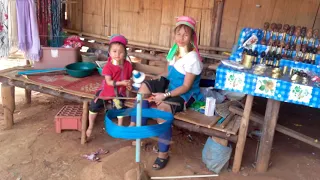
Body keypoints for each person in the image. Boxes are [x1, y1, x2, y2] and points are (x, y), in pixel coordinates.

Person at [130, 16, 203, 170]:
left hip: (185, 93)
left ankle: (163, 154)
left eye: (185, 35)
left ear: (192, 37)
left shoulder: (193, 58)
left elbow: (186, 86)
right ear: (174, 34)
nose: (181, 38)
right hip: (171, 84)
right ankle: (140, 132)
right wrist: (156, 80)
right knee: (143, 89)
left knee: (161, 111)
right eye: (178, 34)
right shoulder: (175, 49)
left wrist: (165, 95)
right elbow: (168, 72)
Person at [86, 34, 133, 138]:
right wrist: (122, 83)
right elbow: (109, 82)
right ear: (109, 53)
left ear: (125, 53)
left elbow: (128, 78)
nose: (117, 54)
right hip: (106, 90)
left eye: (121, 52)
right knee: (94, 105)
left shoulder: (128, 65)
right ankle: (90, 126)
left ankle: (120, 127)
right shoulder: (108, 66)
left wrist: (129, 84)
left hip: (119, 92)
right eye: (114, 51)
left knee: (120, 106)